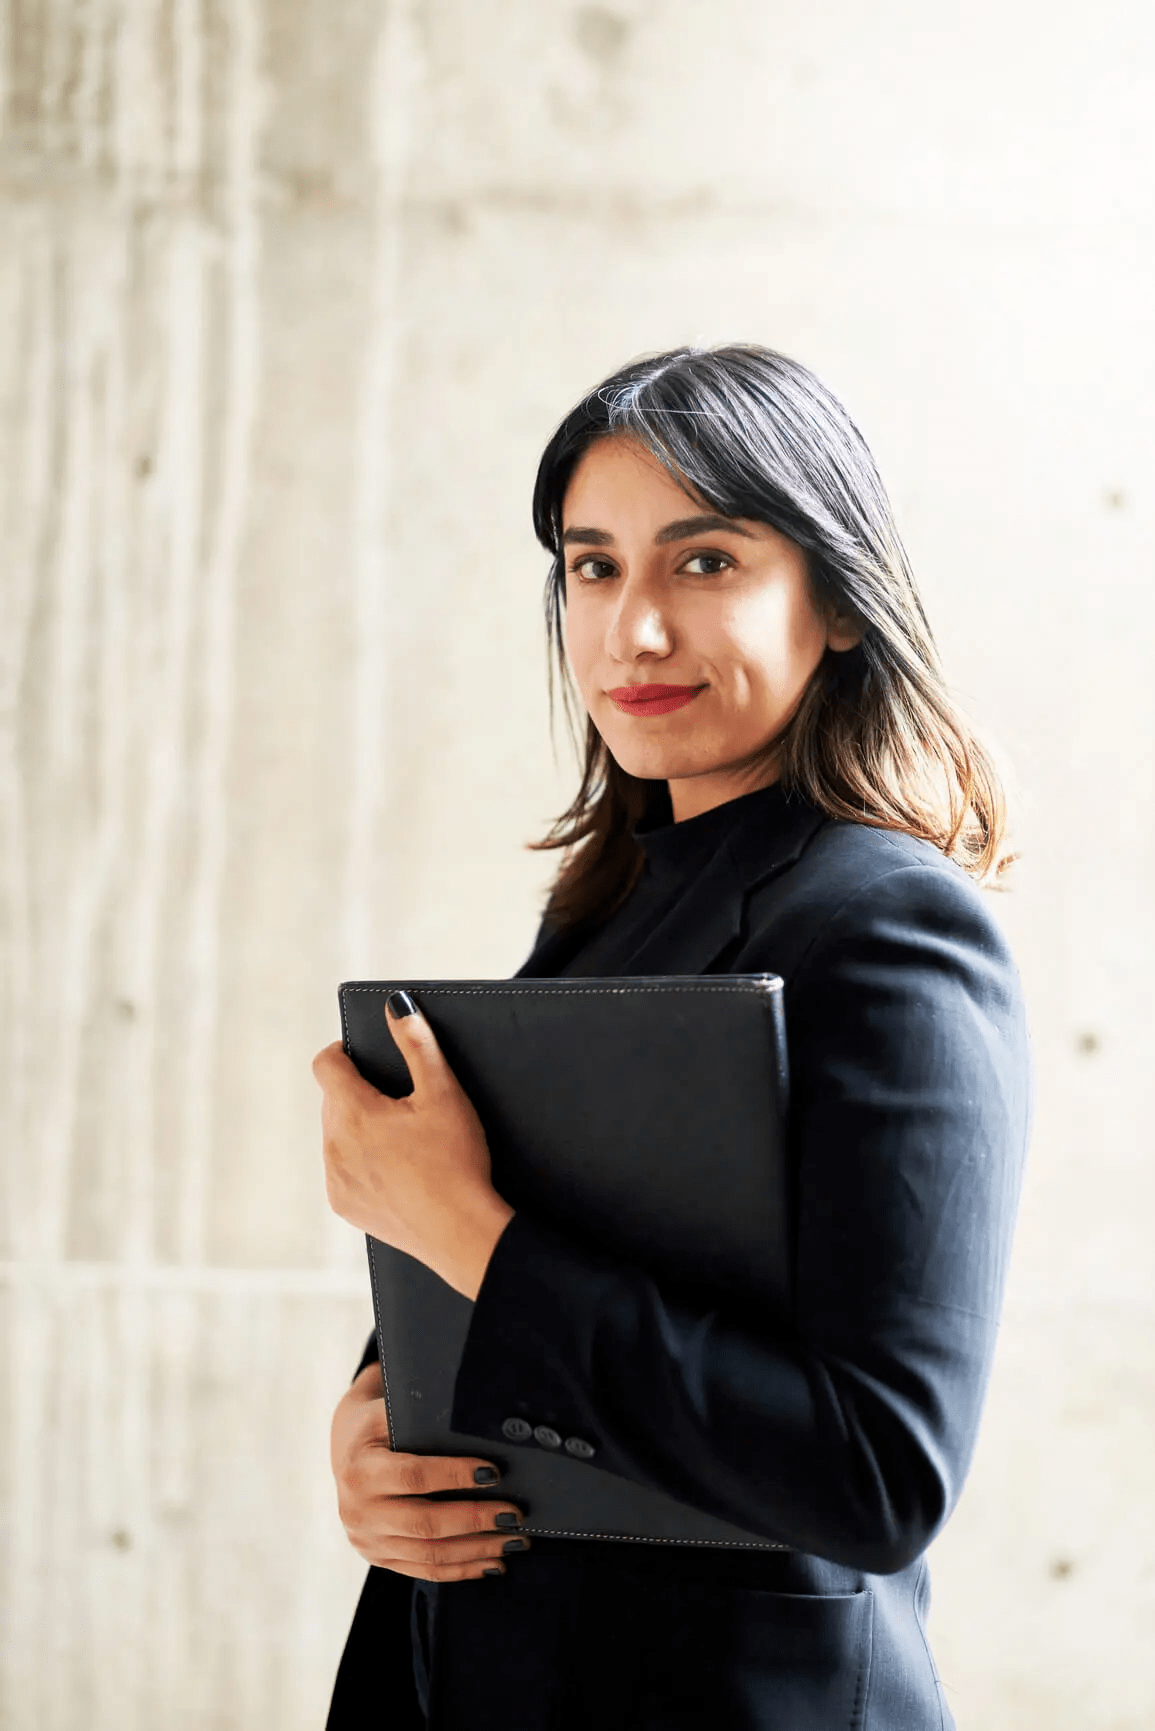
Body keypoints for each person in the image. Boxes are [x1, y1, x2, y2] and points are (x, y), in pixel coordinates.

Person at [313, 345, 1031, 1730]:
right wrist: (373, 1434)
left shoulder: (892, 928)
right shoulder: (611, 905)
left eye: (702, 563)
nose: (631, 628)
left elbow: (877, 1470)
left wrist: (464, 1230)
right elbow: (537, 1282)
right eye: (592, 566)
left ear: (833, 600)